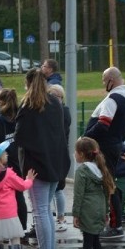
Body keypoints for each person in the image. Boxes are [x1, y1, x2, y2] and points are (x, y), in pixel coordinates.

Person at [14, 68, 70, 249]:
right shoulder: (55, 103)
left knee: (40, 213)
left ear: (27, 84)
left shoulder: (28, 105)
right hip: (56, 162)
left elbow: (20, 137)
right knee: (46, 212)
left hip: (36, 166)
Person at [84, 66, 125, 239]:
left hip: (105, 146)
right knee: (109, 184)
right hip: (115, 144)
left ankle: (115, 225)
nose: (103, 83)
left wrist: (85, 138)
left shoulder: (113, 99)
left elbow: (103, 124)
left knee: (108, 185)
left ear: (111, 80)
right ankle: (113, 222)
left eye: (104, 80)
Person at [72, 137, 115, 249]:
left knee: (87, 241)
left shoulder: (82, 171)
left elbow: (79, 195)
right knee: (96, 239)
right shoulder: (100, 169)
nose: (74, 154)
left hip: (87, 209)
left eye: (76, 152)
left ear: (82, 154)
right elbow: (106, 193)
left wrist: (75, 214)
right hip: (99, 208)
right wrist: (106, 211)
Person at [0, 88, 28, 233]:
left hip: (5, 164)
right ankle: (21, 228)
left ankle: (0, 229)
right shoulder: (20, 116)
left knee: (2, 198)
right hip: (21, 161)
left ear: (2, 102)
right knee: (19, 196)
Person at [47, 84, 71, 232]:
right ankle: (49, 217)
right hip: (51, 152)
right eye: (52, 96)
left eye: (57, 96)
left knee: (58, 188)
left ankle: (61, 218)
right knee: (50, 189)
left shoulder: (64, 112)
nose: (55, 99)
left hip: (59, 153)